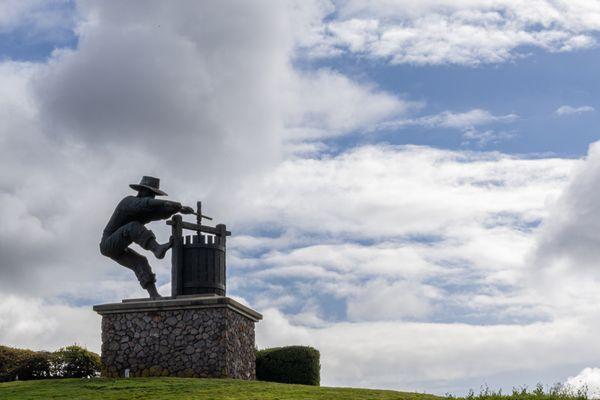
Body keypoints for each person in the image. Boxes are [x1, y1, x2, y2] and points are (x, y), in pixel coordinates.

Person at [99, 176, 193, 298]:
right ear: (142, 191)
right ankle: (156, 248)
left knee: (140, 262)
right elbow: (145, 204)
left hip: (117, 249)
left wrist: (176, 210)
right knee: (133, 226)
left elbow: (158, 213)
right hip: (108, 244)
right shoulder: (128, 202)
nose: (152, 197)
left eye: (154, 195)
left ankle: (154, 295)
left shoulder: (143, 212)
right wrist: (170, 204)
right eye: (151, 193)